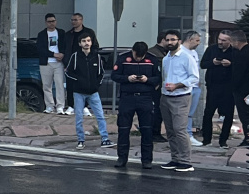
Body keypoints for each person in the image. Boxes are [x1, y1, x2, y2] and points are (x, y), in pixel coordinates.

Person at [111, 41, 161, 169]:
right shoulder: (123, 58)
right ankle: (122, 158)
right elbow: (115, 75)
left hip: (145, 98)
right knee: (123, 129)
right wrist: (127, 78)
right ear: (132, 51)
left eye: (141, 56)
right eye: (136, 55)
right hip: (127, 97)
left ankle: (146, 160)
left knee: (147, 129)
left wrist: (147, 80)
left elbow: (158, 77)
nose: (138, 58)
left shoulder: (152, 59)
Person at [158, 29, 199, 171]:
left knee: (180, 129)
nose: (170, 42)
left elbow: (194, 77)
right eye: (168, 40)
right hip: (166, 96)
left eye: (173, 40)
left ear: (179, 41)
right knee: (170, 130)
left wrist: (177, 85)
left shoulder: (187, 57)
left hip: (181, 97)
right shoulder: (166, 58)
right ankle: (175, 159)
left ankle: (186, 161)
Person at [200, 30, 244, 147]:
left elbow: (241, 67)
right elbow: (203, 64)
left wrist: (230, 64)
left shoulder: (234, 51)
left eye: (224, 40)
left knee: (228, 114)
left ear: (230, 41)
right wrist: (213, 62)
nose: (220, 42)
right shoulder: (211, 49)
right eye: (219, 39)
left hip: (228, 87)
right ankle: (206, 139)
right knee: (208, 113)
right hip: (213, 86)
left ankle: (223, 140)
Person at [66, 36, 110, 150]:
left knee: (100, 115)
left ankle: (105, 139)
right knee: (79, 117)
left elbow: (101, 73)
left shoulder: (97, 56)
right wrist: (78, 81)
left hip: (93, 92)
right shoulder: (75, 56)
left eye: (88, 41)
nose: (86, 43)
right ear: (80, 43)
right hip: (79, 92)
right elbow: (68, 72)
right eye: (84, 41)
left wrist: (96, 85)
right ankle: (80, 140)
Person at [35, 15, 66, 114]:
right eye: (49, 21)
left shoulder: (61, 33)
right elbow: (40, 49)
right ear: (46, 22)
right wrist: (53, 54)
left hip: (59, 63)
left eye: (53, 21)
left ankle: (60, 106)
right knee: (46, 85)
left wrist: (62, 54)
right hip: (46, 62)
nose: (51, 23)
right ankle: (49, 106)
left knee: (59, 84)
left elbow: (65, 45)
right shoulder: (42, 34)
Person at [231, 29, 249, 145]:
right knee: (248, 115)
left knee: (245, 115)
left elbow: (239, 73)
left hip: (242, 89)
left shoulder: (243, 54)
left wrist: (233, 86)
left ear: (236, 42)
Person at [182, 29, 206, 144]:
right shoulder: (180, 52)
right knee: (184, 112)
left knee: (190, 112)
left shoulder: (194, 53)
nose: (198, 43)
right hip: (185, 86)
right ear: (190, 39)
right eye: (196, 40)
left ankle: (188, 134)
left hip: (195, 86)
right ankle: (186, 134)